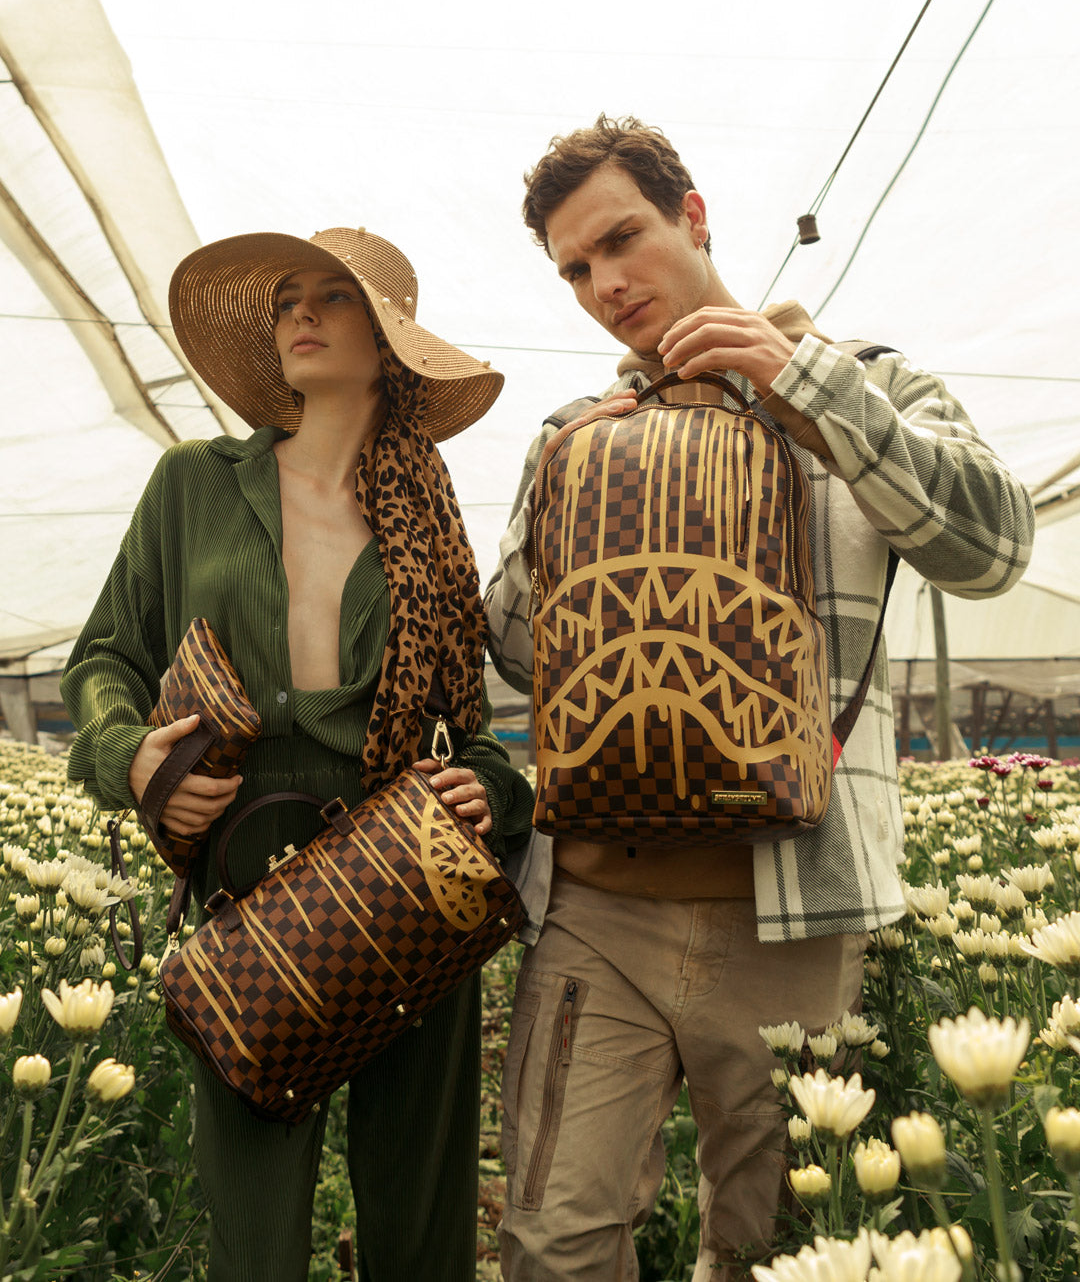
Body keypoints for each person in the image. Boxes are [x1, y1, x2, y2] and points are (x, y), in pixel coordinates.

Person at [485, 116, 1035, 1280]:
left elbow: (993, 547)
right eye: (575, 269)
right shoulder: (573, 436)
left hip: (795, 915)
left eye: (621, 240)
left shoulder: (867, 380)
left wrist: (807, 385)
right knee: (551, 1240)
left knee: (775, 1249)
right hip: (595, 910)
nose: (604, 285)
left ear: (693, 217)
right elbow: (523, 654)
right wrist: (577, 518)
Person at [61, 225, 534, 1282]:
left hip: (410, 879)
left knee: (422, 1220)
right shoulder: (194, 484)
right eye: (287, 301)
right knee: (253, 1232)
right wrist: (133, 758)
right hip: (246, 885)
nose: (301, 314)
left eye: (334, 296)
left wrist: (493, 794)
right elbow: (106, 657)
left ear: (391, 343)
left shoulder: (428, 522)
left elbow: (470, 728)